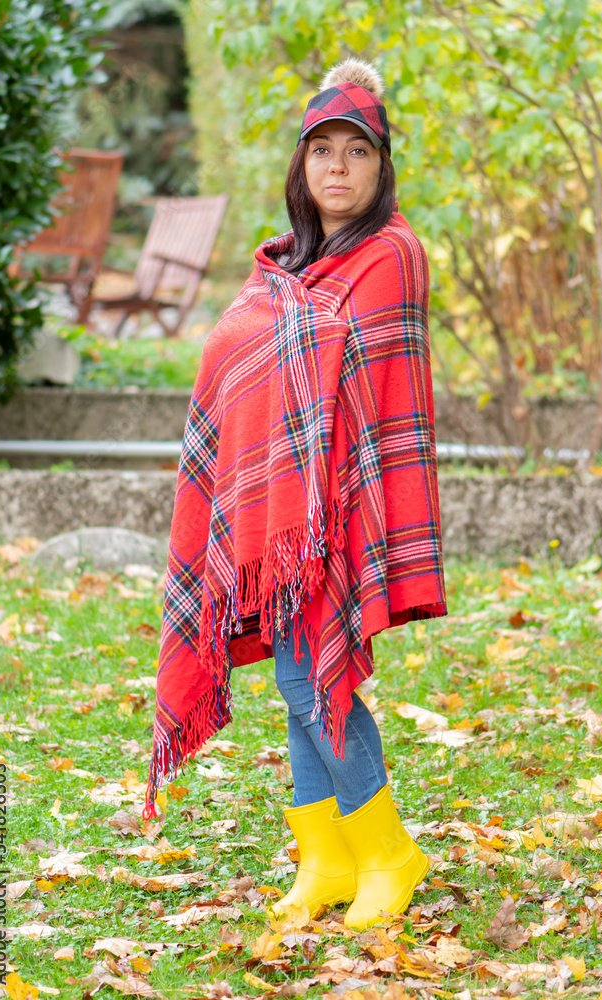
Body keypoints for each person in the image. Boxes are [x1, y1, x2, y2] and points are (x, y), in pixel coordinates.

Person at [145, 57, 447, 931]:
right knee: (295, 678)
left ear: (380, 168)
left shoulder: (389, 255)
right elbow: (250, 364)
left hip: (339, 503)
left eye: (358, 152)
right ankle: (326, 856)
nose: (339, 169)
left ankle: (388, 851)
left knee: (313, 677)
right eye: (323, 152)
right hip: (272, 516)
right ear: (301, 168)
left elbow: (350, 376)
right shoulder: (284, 265)